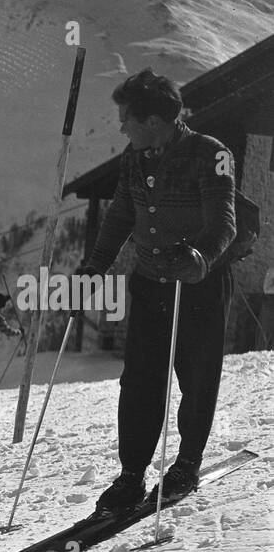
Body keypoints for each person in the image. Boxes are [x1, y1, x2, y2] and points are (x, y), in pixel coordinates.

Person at [76, 69, 236, 512]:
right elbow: (122, 215)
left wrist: (200, 257)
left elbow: (224, 220)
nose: (121, 126)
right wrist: (95, 267)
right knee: (140, 381)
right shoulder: (135, 156)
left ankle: (186, 463)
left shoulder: (212, 154)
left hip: (197, 286)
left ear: (152, 120)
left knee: (197, 379)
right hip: (150, 285)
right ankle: (132, 474)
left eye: (126, 117)